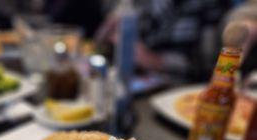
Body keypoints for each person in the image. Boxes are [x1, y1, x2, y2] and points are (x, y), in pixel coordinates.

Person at [96, 0, 235, 80]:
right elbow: (102, 39)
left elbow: (209, 67)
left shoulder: (212, 6)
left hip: (175, 89)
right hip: (130, 80)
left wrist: (156, 61)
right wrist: (106, 32)